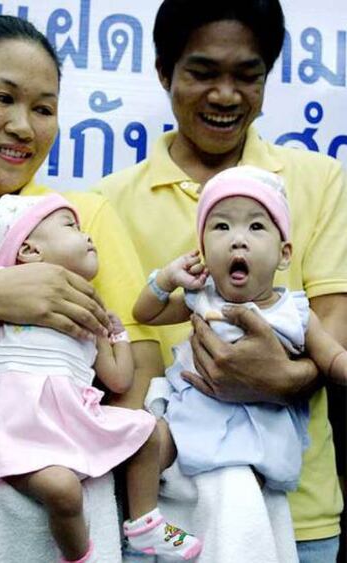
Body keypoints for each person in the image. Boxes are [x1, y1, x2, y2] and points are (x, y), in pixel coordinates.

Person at [94, 1, 347, 561]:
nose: (226, 95)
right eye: (203, 73)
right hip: (164, 512)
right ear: (164, 72)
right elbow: (126, 337)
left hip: (299, 512)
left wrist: (281, 378)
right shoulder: (107, 200)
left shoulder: (321, 180)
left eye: (247, 75)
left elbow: (332, 325)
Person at [0, 13, 163, 560]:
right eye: (2, 97)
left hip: (67, 509)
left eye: (43, 108)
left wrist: (74, 478)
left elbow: (136, 381)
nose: (22, 126)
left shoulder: (87, 218)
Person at [0, 193, 202, 563]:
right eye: (70, 226)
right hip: (8, 430)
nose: (87, 234)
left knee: (148, 432)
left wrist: (116, 336)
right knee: (62, 490)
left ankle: (144, 522)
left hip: (66, 425)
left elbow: (119, 380)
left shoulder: (89, 307)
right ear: (28, 250)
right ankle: (81, 555)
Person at [134, 165, 347, 496]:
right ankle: (147, 524)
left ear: (284, 253)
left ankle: (239, 539)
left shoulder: (296, 312)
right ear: (203, 250)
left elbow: (332, 358)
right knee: (150, 450)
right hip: (190, 419)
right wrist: (166, 279)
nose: (238, 240)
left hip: (256, 436)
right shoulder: (200, 298)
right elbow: (147, 312)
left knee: (242, 500)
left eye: (257, 226)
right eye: (221, 226)